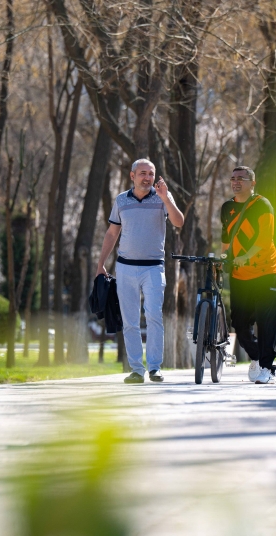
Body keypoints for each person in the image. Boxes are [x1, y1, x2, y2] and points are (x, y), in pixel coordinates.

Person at [96, 159, 184, 383]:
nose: (147, 178)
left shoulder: (163, 197)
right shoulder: (121, 200)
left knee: (154, 316)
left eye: (151, 174)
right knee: (130, 321)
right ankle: (136, 369)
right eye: (143, 173)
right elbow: (111, 233)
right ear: (132, 176)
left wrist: (165, 198)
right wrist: (100, 263)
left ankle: (155, 367)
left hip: (154, 267)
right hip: (125, 267)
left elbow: (179, 222)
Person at [221, 166, 276, 384]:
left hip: (265, 271)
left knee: (266, 321)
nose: (236, 182)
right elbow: (226, 237)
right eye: (233, 178)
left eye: (241, 179)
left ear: (252, 183)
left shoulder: (262, 205)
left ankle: (267, 367)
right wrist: (223, 257)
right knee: (240, 323)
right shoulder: (227, 207)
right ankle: (256, 355)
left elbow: (264, 240)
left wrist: (246, 256)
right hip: (239, 274)